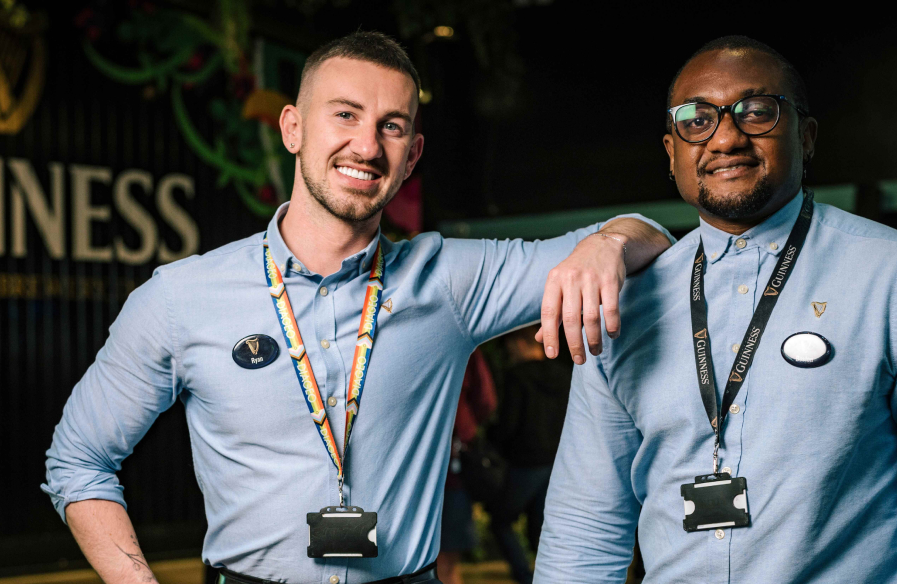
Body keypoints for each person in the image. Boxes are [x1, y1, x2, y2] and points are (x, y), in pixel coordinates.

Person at [43, 31, 673, 584]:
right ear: (292, 127)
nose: (367, 146)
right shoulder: (180, 297)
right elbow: (78, 458)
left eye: (391, 125)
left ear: (413, 154)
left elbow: (653, 237)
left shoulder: (452, 280)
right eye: (344, 114)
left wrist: (608, 241)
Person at [534, 36, 897, 583]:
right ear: (671, 151)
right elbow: (584, 528)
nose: (725, 137)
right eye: (695, 120)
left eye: (757, 112)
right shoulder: (624, 302)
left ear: (807, 135)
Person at [485, 325, 571, 584]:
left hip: (526, 463)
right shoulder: (565, 374)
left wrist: (492, 443)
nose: (509, 352)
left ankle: (525, 577)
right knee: (542, 527)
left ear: (521, 343)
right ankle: (553, 576)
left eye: (510, 346)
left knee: (500, 521)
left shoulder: (517, 377)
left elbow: (508, 424)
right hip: (558, 462)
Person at [437, 350, 496, 584]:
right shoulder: (464, 347)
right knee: (448, 563)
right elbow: (486, 402)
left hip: (434, 468)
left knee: (442, 564)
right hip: (453, 463)